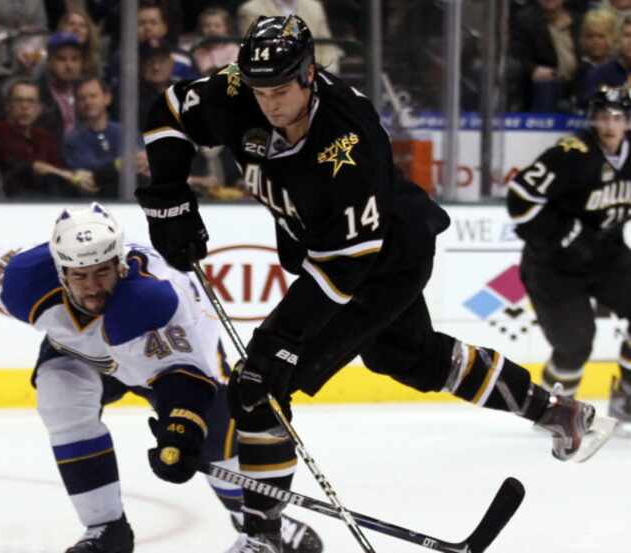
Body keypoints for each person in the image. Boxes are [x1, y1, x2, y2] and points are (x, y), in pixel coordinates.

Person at [136, 16, 614, 552]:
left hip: (384, 260)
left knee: (260, 386)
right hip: (332, 250)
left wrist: (281, 347)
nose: (268, 103)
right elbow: (171, 111)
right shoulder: (236, 90)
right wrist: (171, 198)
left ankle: (263, 540)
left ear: (310, 74)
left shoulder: (348, 140)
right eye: (259, 90)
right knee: (410, 358)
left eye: (280, 90)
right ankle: (558, 412)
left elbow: (342, 269)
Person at [0, 202, 322, 553]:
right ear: (60, 269)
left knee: (212, 444)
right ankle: (106, 529)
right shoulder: (29, 277)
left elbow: (186, 379)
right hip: (85, 357)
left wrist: (180, 427)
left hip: (167, 360)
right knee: (59, 393)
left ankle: (262, 527)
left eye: (102, 272)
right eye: (78, 276)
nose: (90, 287)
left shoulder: (156, 301)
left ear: (120, 265)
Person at [507, 85, 631, 425]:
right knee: (575, 345)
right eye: (603, 117)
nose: (609, 125)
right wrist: (564, 236)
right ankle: (553, 411)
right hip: (553, 267)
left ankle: (627, 397)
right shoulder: (570, 154)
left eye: (618, 118)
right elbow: (519, 200)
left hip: (606, 256)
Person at [0, 79, 93, 197]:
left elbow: (60, 166)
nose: (25, 106)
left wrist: (77, 175)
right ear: (8, 106)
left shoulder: (44, 136)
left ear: (39, 109)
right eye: (18, 100)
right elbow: (30, 167)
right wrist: (70, 176)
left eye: (31, 101)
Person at [63, 76, 149, 198]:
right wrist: (121, 164)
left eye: (93, 96)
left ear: (107, 98)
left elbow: (142, 162)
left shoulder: (126, 132)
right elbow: (92, 172)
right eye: (82, 98)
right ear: (76, 104)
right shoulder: (73, 139)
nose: (88, 102)